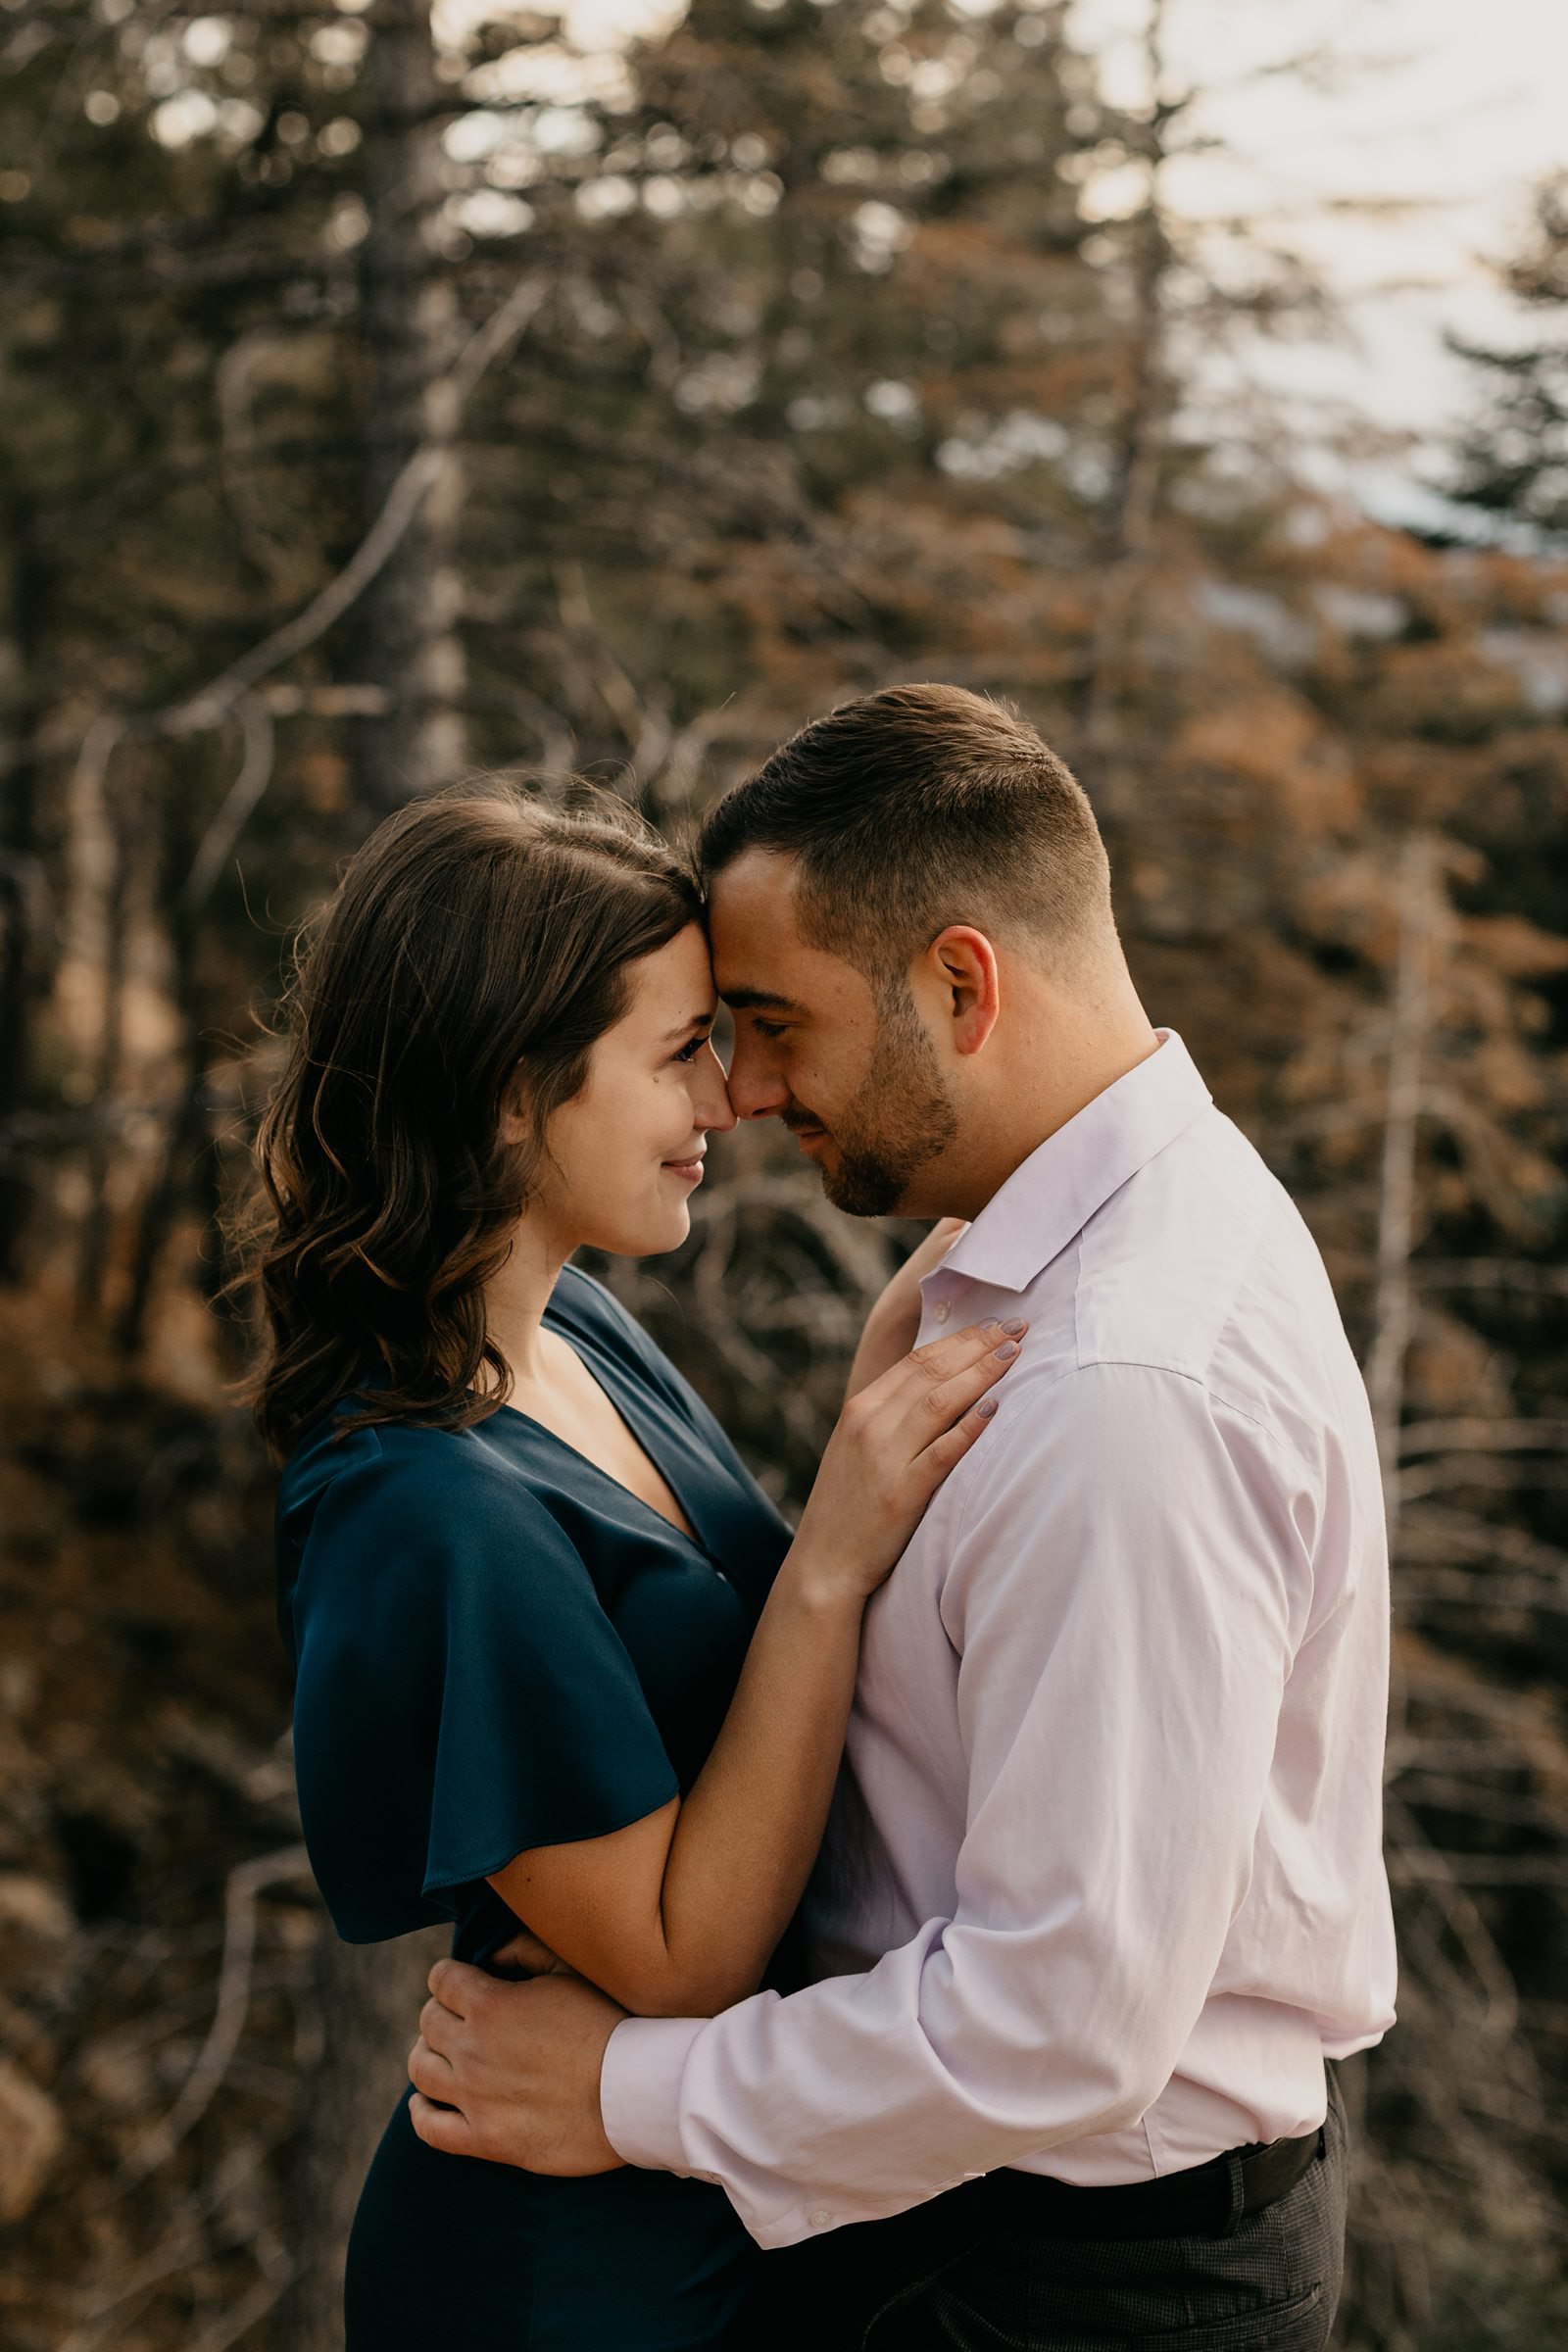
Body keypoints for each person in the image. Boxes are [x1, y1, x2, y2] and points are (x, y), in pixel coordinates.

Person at [409, 685, 1397, 2352]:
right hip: (993, 2220)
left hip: (1056, 2281)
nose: (747, 1088)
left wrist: (631, 2090)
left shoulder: (1120, 1389)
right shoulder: (1106, 1234)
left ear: (961, 982)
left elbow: (1061, 2020)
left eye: (778, 1022)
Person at [249, 781, 1022, 2350]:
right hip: (559, 2271)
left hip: (703, 2193)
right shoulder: (429, 1508)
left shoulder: (578, 1329)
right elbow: (679, 1960)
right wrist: (828, 1562)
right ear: (514, 1095)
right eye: (681, 1053)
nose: (730, 1100)